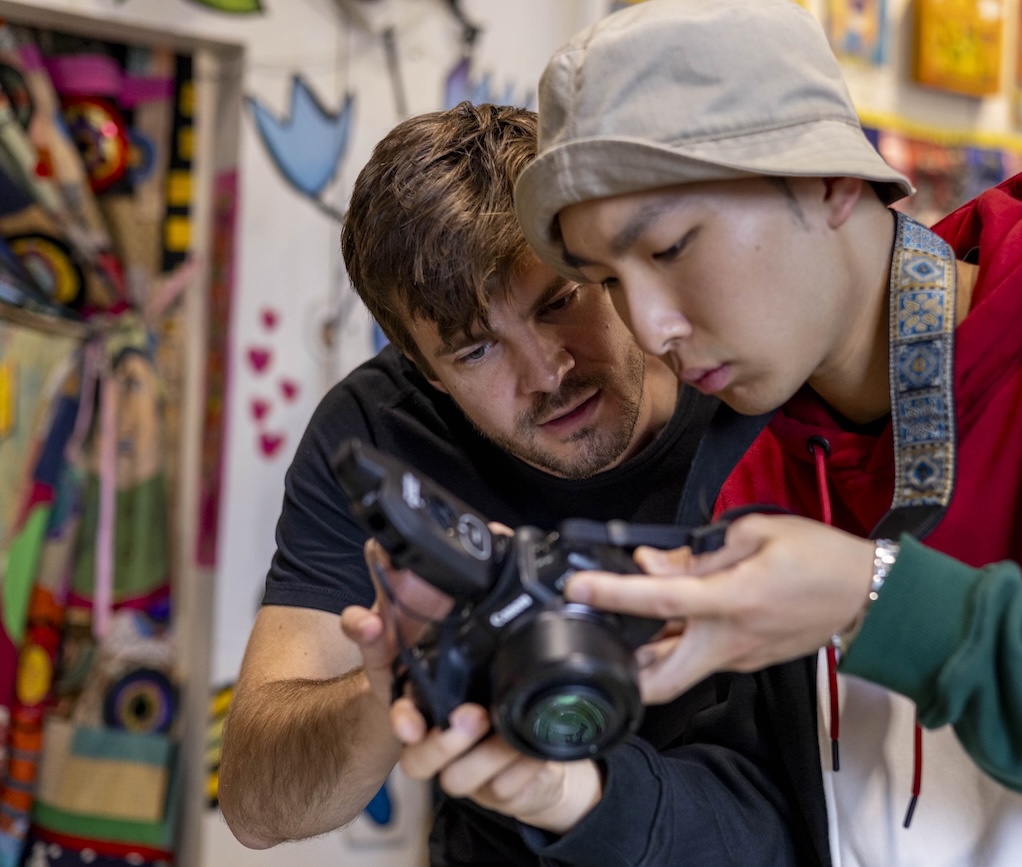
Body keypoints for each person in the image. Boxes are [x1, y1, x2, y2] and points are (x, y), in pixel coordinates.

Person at [511, 2, 1022, 866]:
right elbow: (785, 816)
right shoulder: (741, 462)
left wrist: (876, 598)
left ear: (827, 180)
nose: (648, 326)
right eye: (606, 282)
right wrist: (573, 796)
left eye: (668, 248)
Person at [217, 103, 809, 866]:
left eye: (559, 302)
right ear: (424, 373)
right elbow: (258, 807)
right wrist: (407, 677)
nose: (547, 373)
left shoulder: (753, 384)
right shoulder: (381, 434)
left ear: (606, 265)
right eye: (474, 351)